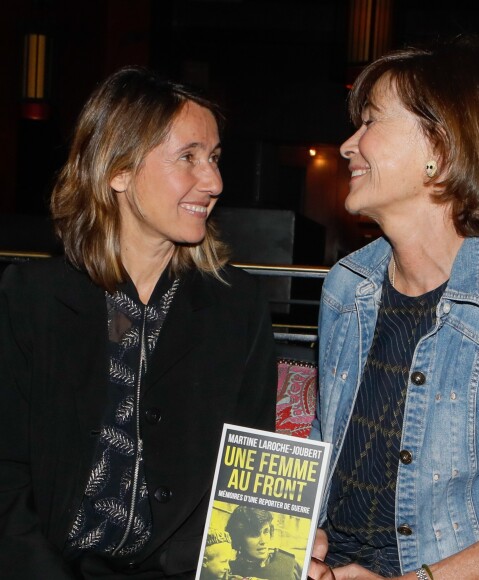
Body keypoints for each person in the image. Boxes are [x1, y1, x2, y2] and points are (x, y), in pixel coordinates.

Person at [308, 35, 479, 580]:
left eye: (371, 122)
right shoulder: (347, 284)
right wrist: (305, 536)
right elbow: (326, 448)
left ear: (442, 149)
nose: (347, 145)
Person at [0, 67, 277, 578]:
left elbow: (252, 476)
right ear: (118, 170)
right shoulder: (32, 299)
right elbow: (7, 474)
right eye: (188, 157)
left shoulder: (237, 306)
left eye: (214, 158)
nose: (214, 181)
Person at [225, 507, 302, 579]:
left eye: (266, 531)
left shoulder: (290, 566)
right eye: (254, 534)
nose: (263, 541)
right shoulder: (226, 570)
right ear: (239, 538)